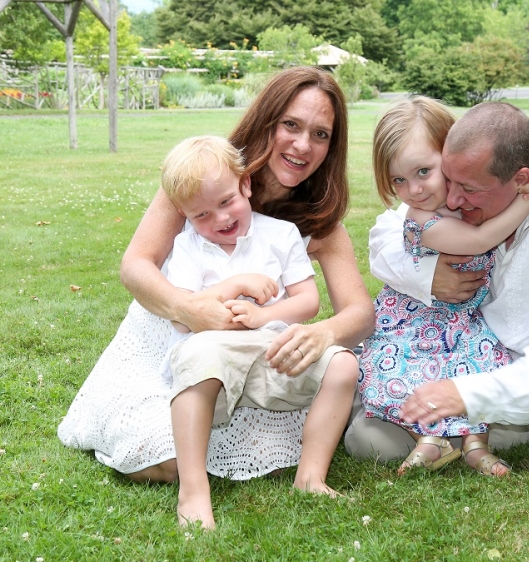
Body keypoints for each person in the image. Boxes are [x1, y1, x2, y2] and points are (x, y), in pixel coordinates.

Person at [58, 68, 373, 519]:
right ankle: (193, 472)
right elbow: (135, 265)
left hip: (261, 349)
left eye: (320, 134)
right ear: (266, 121)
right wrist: (189, 308)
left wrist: (324, 333)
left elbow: (359, 312)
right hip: (172, 339)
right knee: (158, 456)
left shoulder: (317, 222)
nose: (303, 145)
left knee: (326, 377)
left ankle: (289, 460)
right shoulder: (201, 178)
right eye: (291, 125)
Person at [345, 101, 529, 462]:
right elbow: (386, 234)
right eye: (450, 180)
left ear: (522, 179)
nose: (453, 198)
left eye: (467, 188)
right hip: (444, 350)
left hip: (522, 392)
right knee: (345, 385)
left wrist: (466, 394)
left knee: (367, 440)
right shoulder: (473, 181)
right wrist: (427, 276)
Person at [153, 134, 355, 529]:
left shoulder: (280, 234)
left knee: (344, 364)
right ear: (184, 214)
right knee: (197, 358)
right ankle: (193, 492)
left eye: (226, 202)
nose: (220, 220)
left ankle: (311, 477)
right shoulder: (188, 246)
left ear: (245, 184)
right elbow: (181, 318)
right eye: (202, 215)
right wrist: (234, 285)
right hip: (211, 355)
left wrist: (264, 316)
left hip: (271, 349)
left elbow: (308, 301)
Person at [356, 97, 529, 477]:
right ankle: (428, 438)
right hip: (415, 324)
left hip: (464, 321)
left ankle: (475, 447)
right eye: (399, 180)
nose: (414, 189)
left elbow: (526, 142)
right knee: (404, 373)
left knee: (481, 365)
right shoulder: (421, 218)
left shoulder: (470, 190)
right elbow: (479, 240)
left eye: (423, 171)